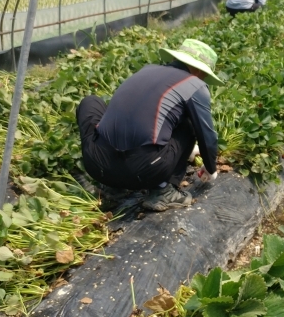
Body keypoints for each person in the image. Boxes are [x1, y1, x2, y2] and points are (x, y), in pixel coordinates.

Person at [76, 39, 221, 213]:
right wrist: (210, 167)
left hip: (97, 165)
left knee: (90, 102)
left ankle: (111, 189)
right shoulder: (194, 84)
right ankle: (163, 191)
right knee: (191, 123)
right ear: (198, 69)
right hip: (142, 171)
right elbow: (207, 137)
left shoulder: (147, 70)